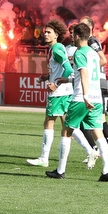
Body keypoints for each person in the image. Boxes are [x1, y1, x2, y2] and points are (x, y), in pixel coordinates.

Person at [46, 22, 108, 181]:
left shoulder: (79, 52)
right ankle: (106, 171)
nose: (72, 38)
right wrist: (67, 79)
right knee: (98, 133)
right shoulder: (93, 53)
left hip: (82, 99)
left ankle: (60, 170)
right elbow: (86, 74)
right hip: (97, 99)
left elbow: (84, 74)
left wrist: (85, 96)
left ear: (77, 36)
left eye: (73, 35)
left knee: (66, 131)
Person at [26, 19, 76, 168]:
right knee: (67, 124)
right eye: (45, 32)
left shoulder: (57, 48)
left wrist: (56, 83)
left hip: (59, 92)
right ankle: (91, 150)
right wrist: (47, 77)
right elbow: (60, 71)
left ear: (56, 35)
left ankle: (44, 158)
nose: (45, 34)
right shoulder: (55, 48)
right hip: (66, 91)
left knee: (49, 121)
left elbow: (68, 70)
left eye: (49, 32)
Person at [81, 16, 108, 164]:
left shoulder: (91, 41)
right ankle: (104, 151)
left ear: (90, 28)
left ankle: (102, 151)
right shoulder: (85, 43)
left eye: (83, 25)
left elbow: (102, 60)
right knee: (94, 120)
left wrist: (89, 73)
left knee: (96, 120)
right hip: (94, 84)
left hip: (97, 85)